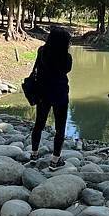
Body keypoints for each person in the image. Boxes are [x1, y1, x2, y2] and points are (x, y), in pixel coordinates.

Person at [30, 27, 72, 171]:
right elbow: (66, 70)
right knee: (60, 128)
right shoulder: (66, 57)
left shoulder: (42, 51)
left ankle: (34, 155)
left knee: (39, 124)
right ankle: (55, 161)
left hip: (43, 93)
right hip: (60, 94)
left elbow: (37, 67)